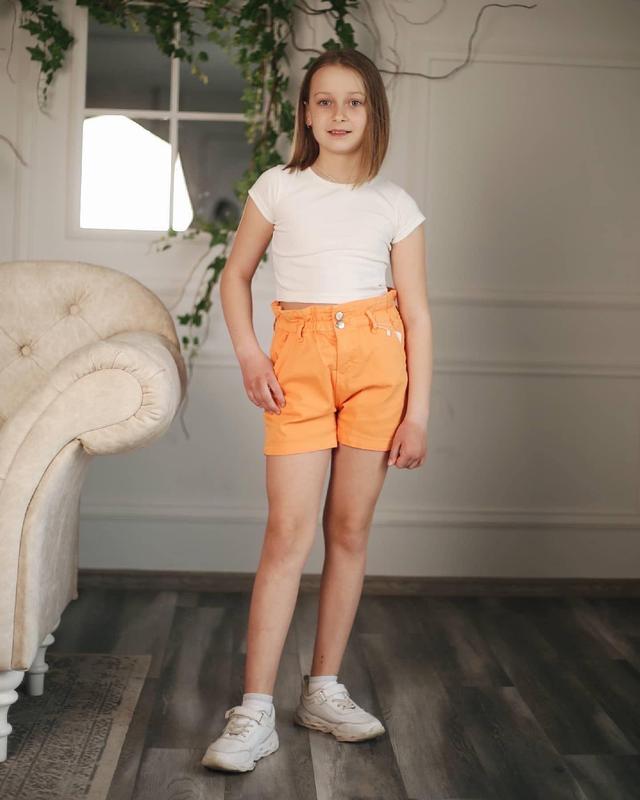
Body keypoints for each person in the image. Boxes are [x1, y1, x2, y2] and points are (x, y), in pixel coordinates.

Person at [202, 47, 432, 772]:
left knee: (350, 531)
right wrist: (250, 356)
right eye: (325, 101)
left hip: (377, 365)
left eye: (354, 101)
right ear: (306, 113)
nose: (339, 114)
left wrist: (418, 413)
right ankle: (254, 710)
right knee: (287, 534)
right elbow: (236, 277)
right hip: (296, 362)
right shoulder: (279, 187)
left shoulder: (395, 204)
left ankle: (323, 689)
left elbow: (418, 314)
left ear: (372, 112)